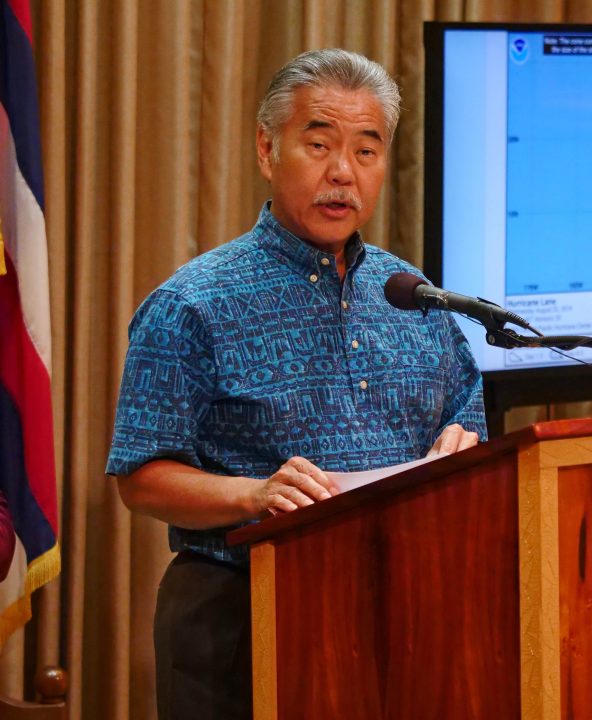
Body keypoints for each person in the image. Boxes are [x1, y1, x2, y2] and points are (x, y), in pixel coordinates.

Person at [106, 49, 486, 719]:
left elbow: (469, 423)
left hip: (400, 609)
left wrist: (464, 453)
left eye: (367, 152)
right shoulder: (193, 304)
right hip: (240, 613)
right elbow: (139, 476)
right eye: (319, 144)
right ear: (266, 148)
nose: (343, 172)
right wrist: (255, 492)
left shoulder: (415, 297)